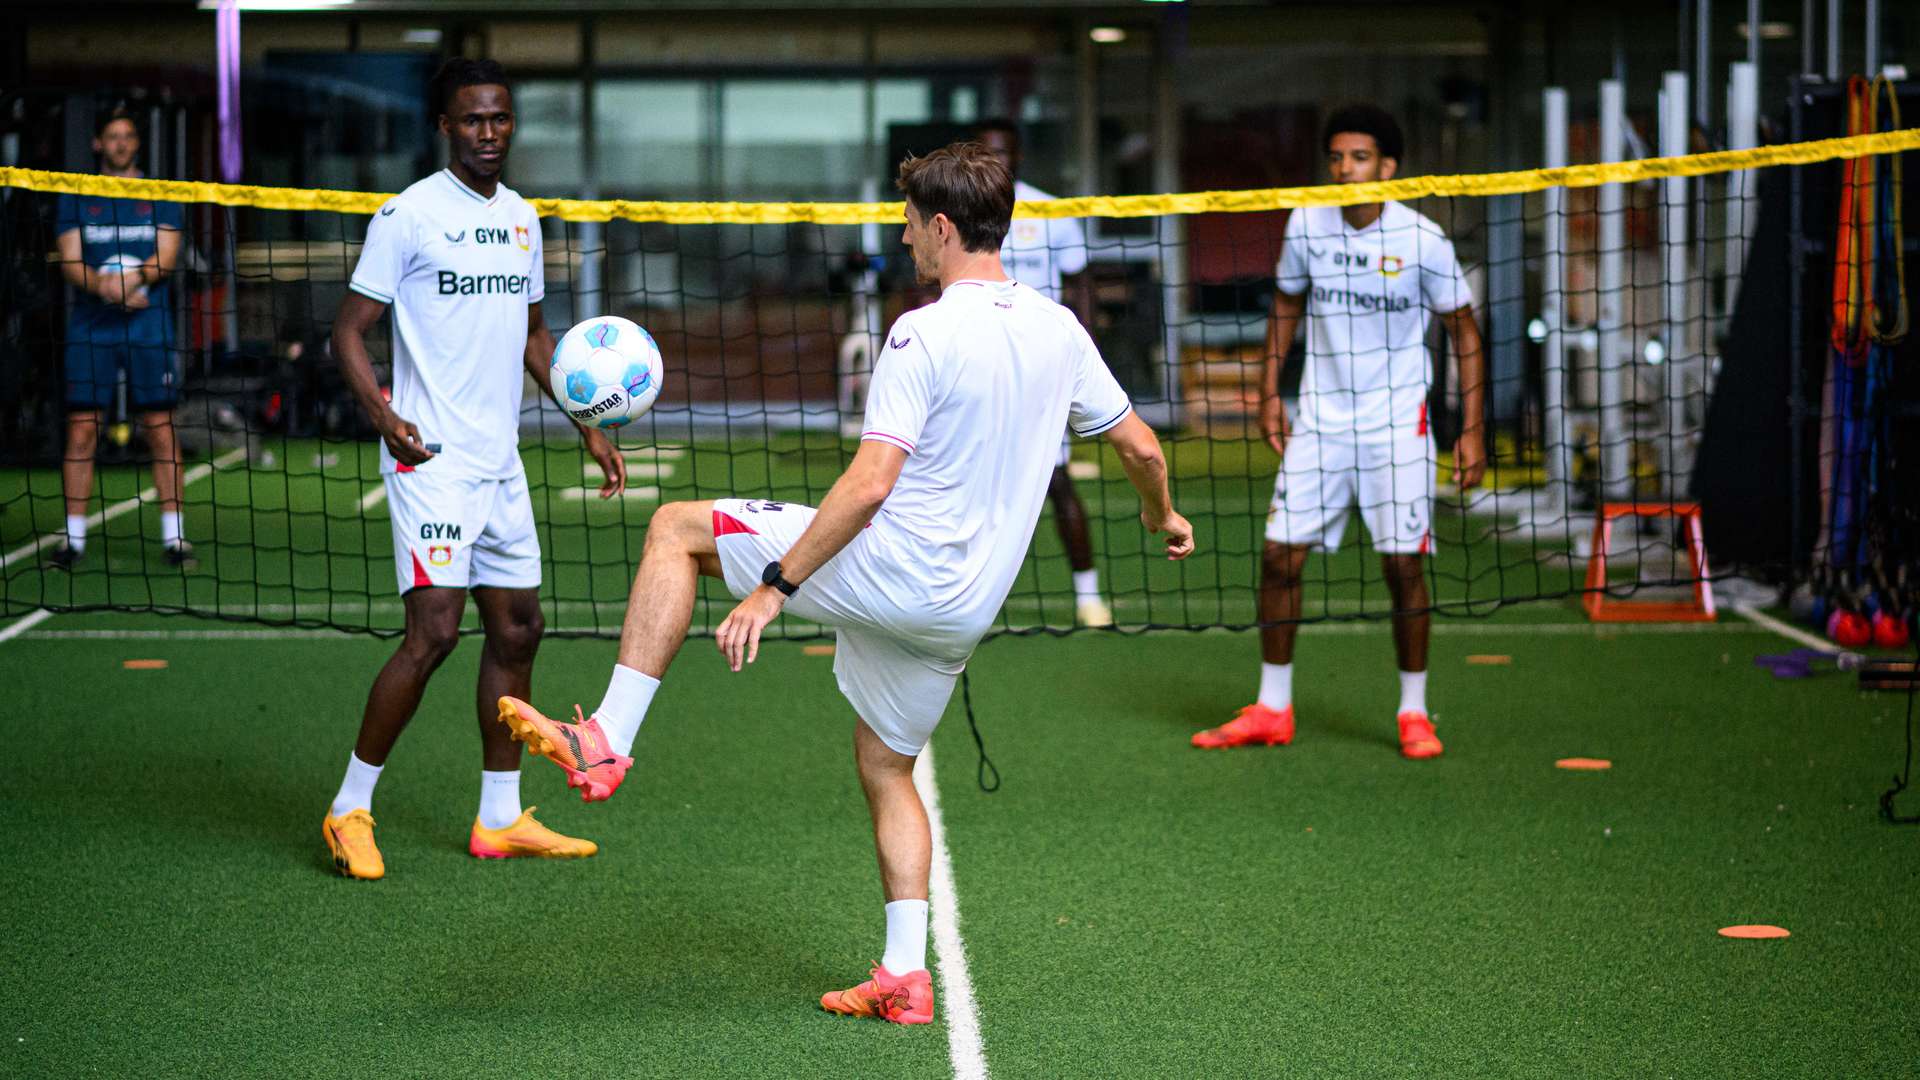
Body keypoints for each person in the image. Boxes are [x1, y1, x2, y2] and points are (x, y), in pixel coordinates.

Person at [496, 141, 1194, 1024]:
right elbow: (1138, 445)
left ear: (942, 228)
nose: (905, 242)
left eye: (909, 227)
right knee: (885, 763)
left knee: (676, 528)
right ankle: (905, 976)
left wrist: (774, 586)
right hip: (967, 608)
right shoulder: (1060, 328)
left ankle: (607, 736)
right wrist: (1160, 513)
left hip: (898, 567)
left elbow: (870, 485)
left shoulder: (923, 331)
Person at [321, 58, 629, 880]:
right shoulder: (409, 215)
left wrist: (586, 421)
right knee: (434, 636)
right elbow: (347, 331)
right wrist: (385, 417)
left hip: (501, 464)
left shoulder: (524, 218)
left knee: (519, 629)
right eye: (472, 120)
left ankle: (500, 818)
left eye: (500, 118)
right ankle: (349, 807)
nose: (488, 133)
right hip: (432, 463)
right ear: (446, 127)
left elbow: (535, 339)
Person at [1190, 104, 1486, 759]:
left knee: (1402, 567)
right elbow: (1288, 302)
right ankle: (1272, 706)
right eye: (1336, 157)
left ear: (1388, 167)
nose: (1344, 169)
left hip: (1397, 425)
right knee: (1277, 558)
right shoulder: (1307, 222)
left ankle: (1413, 712)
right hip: (1321, 424)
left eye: (1358, 157)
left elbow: (1464, 330)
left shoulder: (1422, 240)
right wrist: (1270, 390)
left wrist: (1472, 429)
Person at [975, 118, 1113, 628]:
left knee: (1055, 482)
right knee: (968, 480)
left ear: (1019, 157)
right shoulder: (961, 212)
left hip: (1038, 371)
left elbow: (1080, 285)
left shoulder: (1051, 213)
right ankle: (966, 597)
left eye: (1003, 152)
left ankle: (1089, 594)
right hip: (977, 368)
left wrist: (1083, 349)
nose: (996, 161)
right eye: (986, 153)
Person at [49, 110, 188, 569]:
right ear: (98, 144)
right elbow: (70, 260)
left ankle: (175, 537)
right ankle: (73, 539)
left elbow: (167, 257)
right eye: (113, 136)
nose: (122, 144)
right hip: (92, 325)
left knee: (160, 428)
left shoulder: (161, 193)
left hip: (149, 325)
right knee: (83, 428)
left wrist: (135, 281)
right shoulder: (77, 195)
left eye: (128, 136)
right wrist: (103, 286)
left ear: (136, 144)